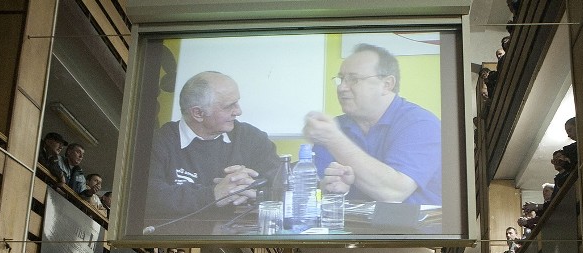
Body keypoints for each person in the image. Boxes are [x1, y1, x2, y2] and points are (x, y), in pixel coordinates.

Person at [305, 43, 442, 205]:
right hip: (351, 227)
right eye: (341, 79)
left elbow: (394, 192)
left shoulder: (421, 124)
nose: (342, 88)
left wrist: (334, 140)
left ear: (387, 84)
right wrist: (328, 188)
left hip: (414, 229)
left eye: (353, 79)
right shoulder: (335, 126)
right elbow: (313, 197)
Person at [144, 71, 280, 228]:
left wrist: (256, 191)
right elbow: (149, 196)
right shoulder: (159, 142)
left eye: (237, 102)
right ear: (198, 113)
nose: (238, 111)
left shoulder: (252, 138)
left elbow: (281, 182)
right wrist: (214, 194)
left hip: (236, 244)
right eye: (229, 106)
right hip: (175, 241)